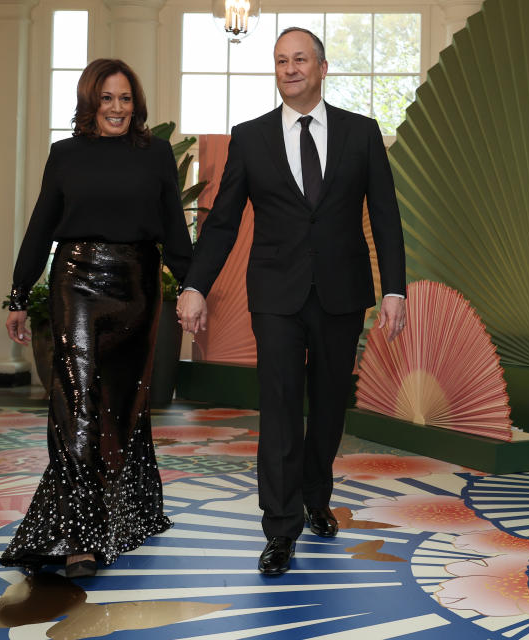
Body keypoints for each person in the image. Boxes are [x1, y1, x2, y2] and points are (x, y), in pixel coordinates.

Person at [177, 27, 407, 575]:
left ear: (323, 68)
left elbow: (386, 217)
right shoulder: (250, 138)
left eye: (300, 59)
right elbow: (224, 221)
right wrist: (194, 284)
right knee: (280, 410)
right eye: (281, 61)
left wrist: (395, 287)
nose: (290, 69)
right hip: (275, 296)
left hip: (342, 294)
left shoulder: (362, 133)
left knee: (328, 408)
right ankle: (280, 528)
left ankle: (316, 499)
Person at [1, 58, 192, 578]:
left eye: (126, 98)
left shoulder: (154, 154)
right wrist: (19, 294)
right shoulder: (64, 154)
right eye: (107, 98)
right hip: (77, 282)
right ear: (90, 102)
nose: (118, 108)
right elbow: (42, 225)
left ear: (137, 103)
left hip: (139, 286)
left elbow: (174, 226)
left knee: (123, 408)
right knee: (78, 403)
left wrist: (194, 285)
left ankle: (124, 511)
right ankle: (80, 536)